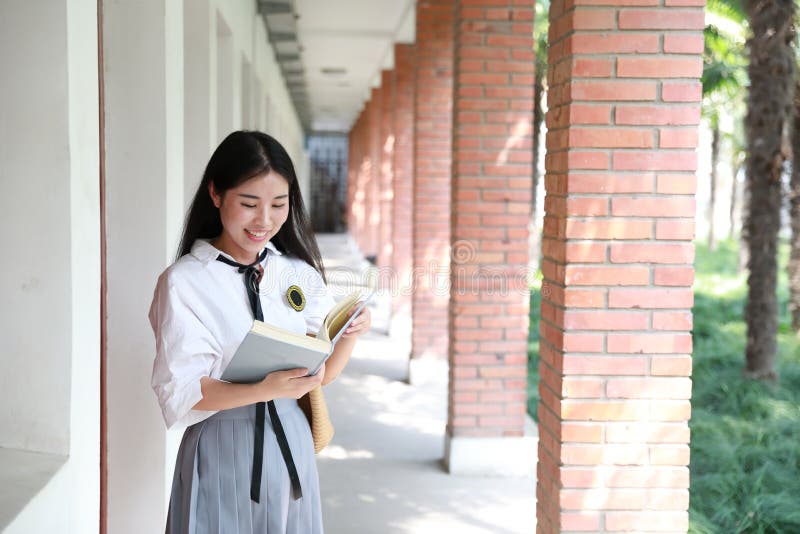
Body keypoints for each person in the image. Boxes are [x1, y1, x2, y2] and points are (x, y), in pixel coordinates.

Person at [149, 130, 370, 533]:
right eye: (249, 204)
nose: (264, 220)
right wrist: (266, 388)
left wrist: (350, 333)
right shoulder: (185, 283)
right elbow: (181, 392)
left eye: (278, 205)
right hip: (223, 445)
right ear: (215, 194)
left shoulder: (295, 272)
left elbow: (321, 375)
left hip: (292, 442)